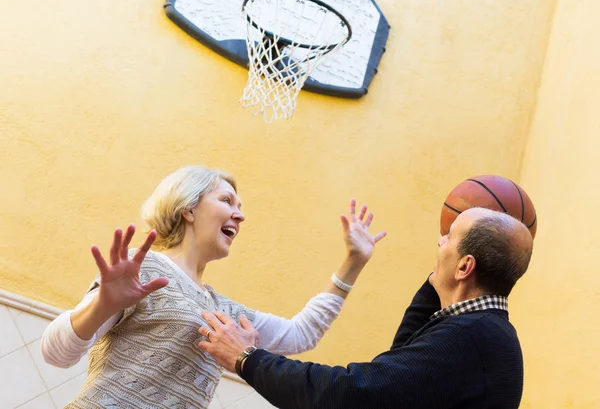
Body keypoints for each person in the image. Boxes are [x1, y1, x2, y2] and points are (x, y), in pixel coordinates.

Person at [40, 166, 386, 408]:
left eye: (240, 207)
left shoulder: (227, 313)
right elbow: (56, 354)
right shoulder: (140, 267)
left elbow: (301, 335)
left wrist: (353, 262)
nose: (240, 215)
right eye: (227, 201)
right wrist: (102, 303)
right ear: (188, 208)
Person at [199, 207, 534, 409]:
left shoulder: (471, 337)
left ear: (464, 268)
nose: (438, 241)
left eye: (449, 237)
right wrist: (435, 282)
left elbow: (350, 393)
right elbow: (401, 357)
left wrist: (247, 358)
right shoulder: (481, 332)